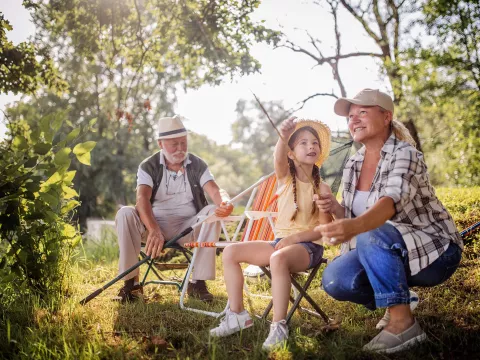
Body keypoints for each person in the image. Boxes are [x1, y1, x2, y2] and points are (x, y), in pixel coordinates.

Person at [313, 89, 463, 353]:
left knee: (374, 231)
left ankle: (403, 324)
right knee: (336, 279)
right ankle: (402, 297)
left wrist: (354, 226)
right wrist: (337, 209)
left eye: (362, 112)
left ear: (386, 118)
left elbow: (388, 205)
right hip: (385, 247)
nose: (354, 120)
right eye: (350, 116)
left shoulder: (405, 154)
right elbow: (353, 219)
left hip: (436, 251)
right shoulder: (353, 164)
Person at [209, 118, 332, 350]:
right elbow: (278, 158)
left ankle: (278, 325)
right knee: (231, 251)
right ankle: (237, 314)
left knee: (278, 258)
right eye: (303, 143)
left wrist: (294, 239)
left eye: (315, 142)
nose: (311, 146)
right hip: (279, 243)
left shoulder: (322, 188)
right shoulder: (285, 180)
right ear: (291, 153)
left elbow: (325, 230)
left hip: (308, 248)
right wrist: (283, 136)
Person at [114, 115, 234, 303]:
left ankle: (198, 283)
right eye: (174, 144)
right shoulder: (148, 166)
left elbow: (214, 189)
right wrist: (153, 229)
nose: (180, 149)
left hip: (187, 229)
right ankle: (131, 285)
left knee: (212, 212)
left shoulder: (197, 164)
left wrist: (225, 202)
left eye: (183, 143)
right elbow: (142, 198)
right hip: (152, 228)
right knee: (125, 213)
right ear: (160, 144)